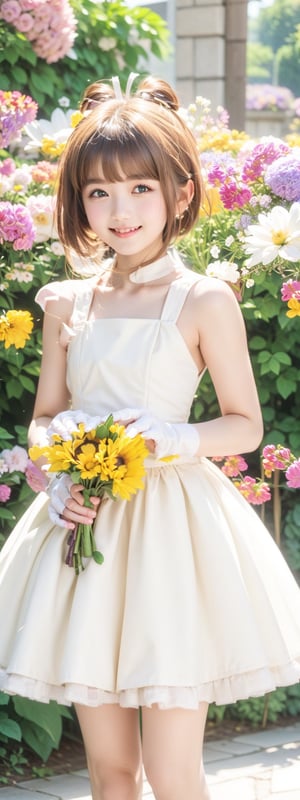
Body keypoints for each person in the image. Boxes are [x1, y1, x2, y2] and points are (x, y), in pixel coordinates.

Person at [0, 74, 300, 800]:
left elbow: (244, 424)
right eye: (99, 193)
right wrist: (60, 464)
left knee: (172, 772)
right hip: (83, 533)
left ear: (181, 193)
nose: (119, 209)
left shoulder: (202, 299)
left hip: (172, 536)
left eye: (139, 188)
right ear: (78, 202)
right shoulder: (68, 302)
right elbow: (45, 416)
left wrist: (172, 436)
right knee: (108, 770)